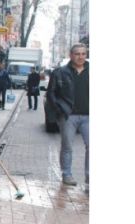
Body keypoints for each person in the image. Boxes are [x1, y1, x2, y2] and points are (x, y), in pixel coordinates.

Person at [46, 43, 89, 187]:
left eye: (83, 54)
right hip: (68, 115)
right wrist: (59, 110)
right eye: (77, 54)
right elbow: (51, 93)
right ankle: (67, 174)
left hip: (89, 116)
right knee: (67, 146)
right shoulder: (60, 72)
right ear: (71, 55)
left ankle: (89, 176)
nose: (81, 57)